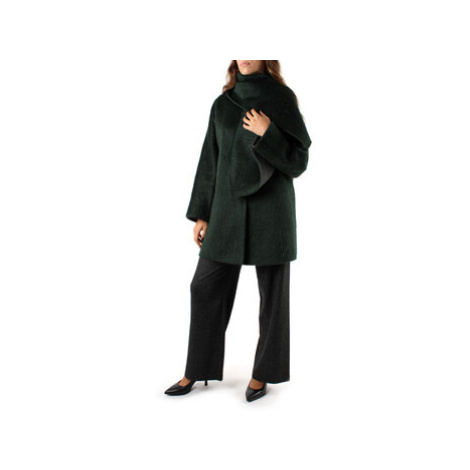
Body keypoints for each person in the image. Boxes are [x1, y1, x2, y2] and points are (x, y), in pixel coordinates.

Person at [164, 60, 312, 402]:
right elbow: (210, 159)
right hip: (226, 210)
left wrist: (268, 132)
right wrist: (202, 213)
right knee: (203, 287)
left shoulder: (282, 98)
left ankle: (263, 374)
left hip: (271, 211)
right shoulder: (222, 104)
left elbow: (298, 162)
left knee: (273, 298)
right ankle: (197, 368)